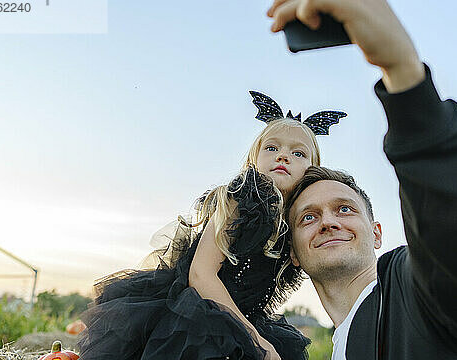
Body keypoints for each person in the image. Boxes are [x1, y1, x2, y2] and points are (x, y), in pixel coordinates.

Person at [268, 0, 457, 359]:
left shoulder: (415, 293)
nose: (329, 220)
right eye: (308, 217)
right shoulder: (331, 347)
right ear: (293, 253)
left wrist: (401, 72)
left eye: (344, 209)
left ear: (377, 233)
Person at [78, 93, 347, 360]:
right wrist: (257, 341)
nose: (283, 157)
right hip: (195, 316)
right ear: (254, 159)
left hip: (244, 320)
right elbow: (200, 274)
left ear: (313, 168)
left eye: (298, 153)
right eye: (272, 148)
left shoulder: (299, 224)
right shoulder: (241, 198)